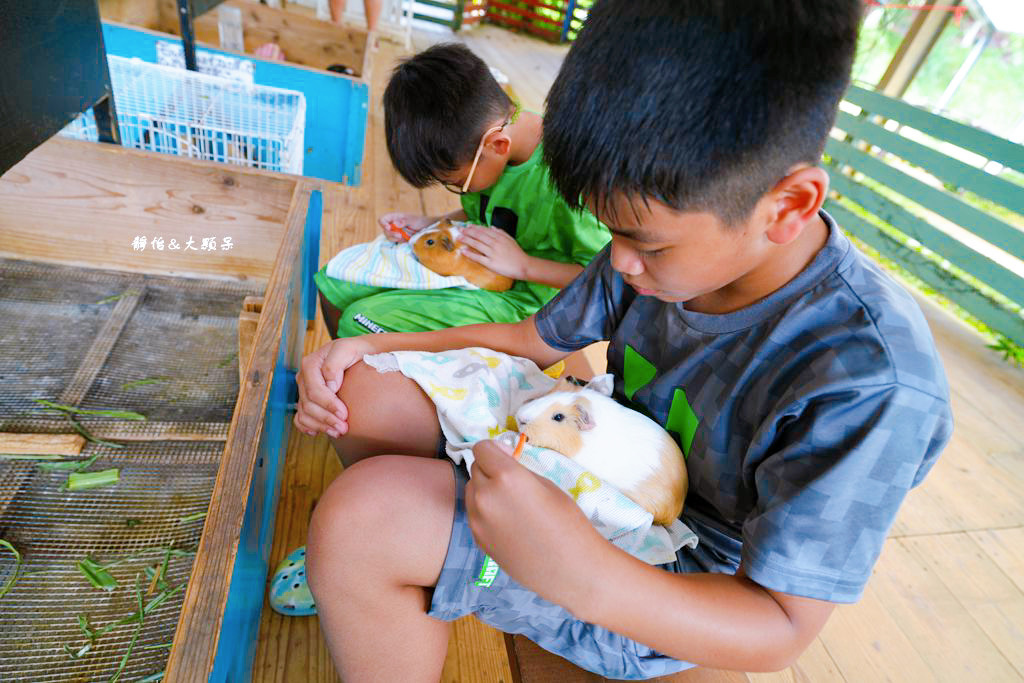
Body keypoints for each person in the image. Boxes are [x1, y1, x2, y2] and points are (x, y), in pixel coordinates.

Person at [293, 1, 954, 678]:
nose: (620, 262)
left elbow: (779, 625)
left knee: (356, 525)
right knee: (363, 392)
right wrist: (366, 349)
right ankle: (418, 573)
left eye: (645, 241)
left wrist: (582, 573)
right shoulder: (648, 245)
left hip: (678, 573)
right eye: (612, 233)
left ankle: (391, 561)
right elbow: (532, 338)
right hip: (588, 456)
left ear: (786, 207)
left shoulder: (871, 377)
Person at [313, 42, 609, 340]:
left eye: (456, 183)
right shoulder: (493, 132)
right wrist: (433, 221)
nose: (456, 189)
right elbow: (489, 209)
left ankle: (358, 375)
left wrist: (525, 266)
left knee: (359, 321)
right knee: (333, 282)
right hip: (472, 265)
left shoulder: (570, 182)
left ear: (496, 145)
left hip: (525, 305)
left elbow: (605, 277)